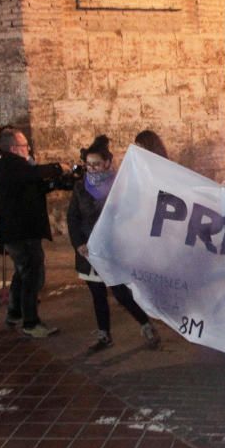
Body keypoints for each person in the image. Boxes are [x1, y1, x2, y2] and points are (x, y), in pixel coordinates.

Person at [68, 136, 161, 353]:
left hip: (113, 250)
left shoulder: (120, 185)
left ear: (108, 163)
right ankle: (104, 334)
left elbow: (131, 214)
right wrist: (78, 243)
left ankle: (145, 324)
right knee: (97, 294)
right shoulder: (80, 188)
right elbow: (73, 217)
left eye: (96, 164)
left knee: (120, 292)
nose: (91, 168)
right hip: (88, 252)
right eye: (88, 164)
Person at [0, 128, 69, 338]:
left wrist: (54, 184)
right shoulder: (10, 164)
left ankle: (14, 313)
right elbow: (33, 174)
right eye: (25, 145)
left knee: (22, 272)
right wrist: (57, 168)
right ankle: (31, 322)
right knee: (31, 276)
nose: (28, 149)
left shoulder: (13, 167)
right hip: (22, 232)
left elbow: (30, 187)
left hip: (20, 231)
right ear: (13, 148)